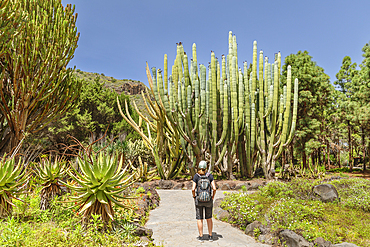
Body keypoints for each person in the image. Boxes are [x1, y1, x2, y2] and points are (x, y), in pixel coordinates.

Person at [192, 160, 217, 242]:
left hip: (199, 200)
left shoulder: (196, 176)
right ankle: (210, 236)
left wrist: (194, 197)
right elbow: (214, 188)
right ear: (206, 167)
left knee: (200, 218)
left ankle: (201, 236)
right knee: (209, 218)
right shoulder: (210, 176)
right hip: (208, 200)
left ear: (199, 167)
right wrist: (212, 197)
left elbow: (193, 189)